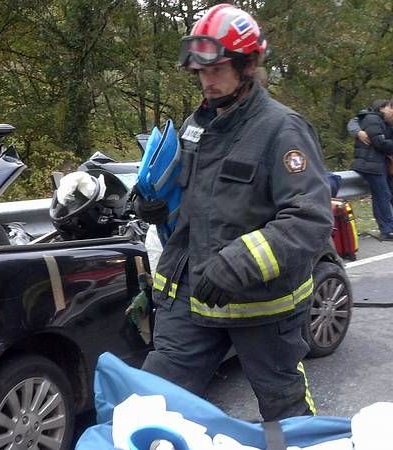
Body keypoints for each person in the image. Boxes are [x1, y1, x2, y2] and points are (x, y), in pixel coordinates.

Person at [135, 4, 332, 422]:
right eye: (200, 71)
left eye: (217, 69)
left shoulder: (282, 129)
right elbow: (190, 203)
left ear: (247, 65)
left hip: (261, 308)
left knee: (285, 411)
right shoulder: (197, 126)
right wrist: (153, 205)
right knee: (149, 405)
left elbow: (309, 219)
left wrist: (239, 263)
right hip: (190, 297)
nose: (206, 80)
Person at [348, 100, 393, 239]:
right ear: (384, 108)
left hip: (378, 164)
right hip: (370, 164)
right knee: (383, 195)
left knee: (384, 194)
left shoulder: (383, 122)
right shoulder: (372, 119)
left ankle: (387, 227)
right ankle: (387, 230)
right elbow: (380, 143)